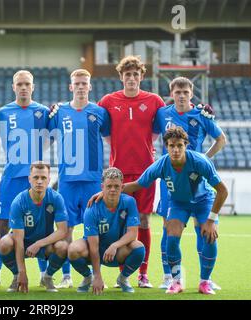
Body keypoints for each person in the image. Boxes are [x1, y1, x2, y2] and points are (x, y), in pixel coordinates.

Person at [123, 127, 228, 295]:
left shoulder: (200, 161)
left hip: (203, 201)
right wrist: (106, 192)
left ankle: (205, 281)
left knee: (209, 237)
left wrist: (210, 221)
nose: (176, 149)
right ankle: (177, 281)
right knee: (170, 239)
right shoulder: (161, 164)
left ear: (186, 145)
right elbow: (137, 184)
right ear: (166, 146)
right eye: (171, 146)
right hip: (179, 202)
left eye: (179, 145)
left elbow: (223, 190)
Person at [97, 55, 165, 288]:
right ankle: (122, 273)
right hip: (118, 174)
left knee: (144, 220)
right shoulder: (107, 101)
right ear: (121, 77)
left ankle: (142, 273)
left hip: (146, 172)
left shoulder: (155, 101)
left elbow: (170, 122)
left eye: (136, 74)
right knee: (120, 223)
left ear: (141, 76)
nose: (132, 78)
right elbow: (97, 124)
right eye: (128, 74)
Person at [153, 77, 227, 289]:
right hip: (171, 180)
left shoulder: (202, 114)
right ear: (172, 94)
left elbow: (221, 139)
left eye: (185, 92)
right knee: (169, 228)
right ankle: (169, 276)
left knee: (201, 228)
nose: (182, 95)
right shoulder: (162, 113)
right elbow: (147, 131)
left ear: (191, 94)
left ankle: (206, 278)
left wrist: (204, 158)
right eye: (178, 92)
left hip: (196, 181)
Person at [0, 70, 50, 288]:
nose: (23, 87)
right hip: (11, 178)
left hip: (35, 179)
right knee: (3, 225)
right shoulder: (3, 113)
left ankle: (45, 275)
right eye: (19, 84)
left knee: (42, 225)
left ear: (33, 87)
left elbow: (54, 136)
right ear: (13, 87)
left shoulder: (43, 112)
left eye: (27, 84)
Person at [48, 69, 110, 288]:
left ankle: (95, 275)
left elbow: (110, 139)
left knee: (92, 229)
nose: (81, 86)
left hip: (93, 180)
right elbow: (46, 138)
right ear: (71, 87)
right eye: (77, 83)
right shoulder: (59, 112)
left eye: (85, 83)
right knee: (66, 230)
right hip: (67, 180)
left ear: (90, 86)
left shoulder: (100, 112)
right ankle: (66, 276)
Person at [68, 167, 145, 294]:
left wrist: (115, 245)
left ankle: (123, 278)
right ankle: (89, 277)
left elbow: (133, 233)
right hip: (94, 249)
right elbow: (93, 247)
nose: (113, 190)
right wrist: (97, 276)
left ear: (122, 187)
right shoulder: (92, 208)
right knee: (72, 250)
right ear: (102, 187)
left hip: (117, 251)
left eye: (116, 186)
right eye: (109, 186)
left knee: (139, 248)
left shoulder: (129, 202)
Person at [0, 162, 69, 293]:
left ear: (49, 179)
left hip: (44, 244)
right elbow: (18, 240)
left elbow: (62, 231)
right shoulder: (19, 202)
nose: (39, 182)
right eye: (36, 177)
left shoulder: (56, 198)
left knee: (63, 246)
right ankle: (16, 276)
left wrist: (38, 244)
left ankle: (47, 276)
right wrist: (22, 271)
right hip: (22, 243)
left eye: (43, 178)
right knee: (4, 243)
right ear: (29, 179)